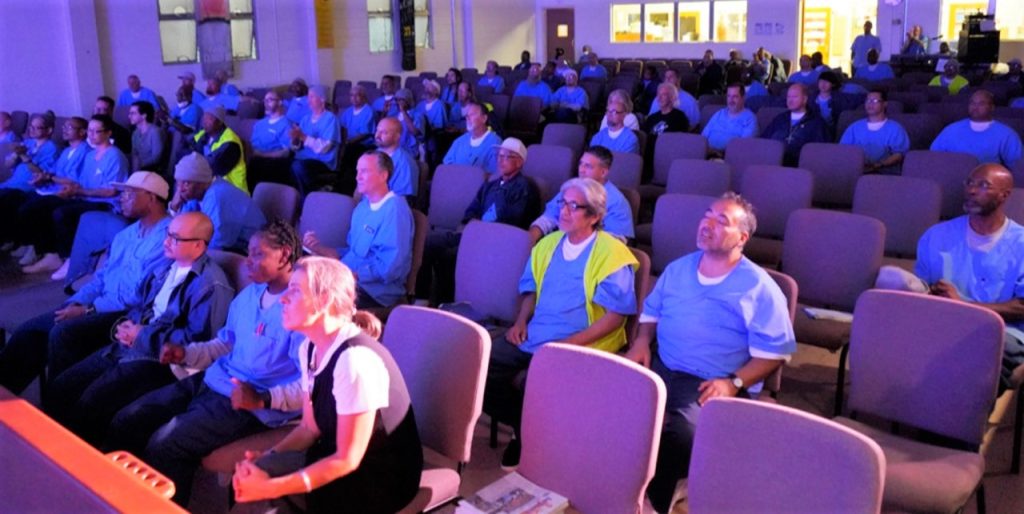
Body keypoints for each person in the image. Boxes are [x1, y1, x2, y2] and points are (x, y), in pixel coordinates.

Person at [104, 220, 306, 507]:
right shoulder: (250, 295)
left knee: (165, 445)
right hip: (213, 381)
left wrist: (262, 398)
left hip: (248, 404)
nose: (248, 262)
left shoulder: (302, 310)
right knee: (129, 419)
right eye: (248, 254)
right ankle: (114, 500)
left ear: (285, 255)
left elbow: (309, 386)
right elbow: (224, 343)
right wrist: (185, 354)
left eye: (258, 255)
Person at [625, 192, 796, 514]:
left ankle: (655, 499)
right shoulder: (678, 269)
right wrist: (641, 341)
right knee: (619, 405)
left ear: (742, 237)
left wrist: (734, 383)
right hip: (663, 365)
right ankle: (620, 481)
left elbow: (775, 354)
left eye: (722, 221)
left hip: (711, 379)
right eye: (707, 215)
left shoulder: (758, 286)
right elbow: (651, 312)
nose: (708, 224)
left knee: (680, 431)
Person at [230, 257, 422, 514]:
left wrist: (271, 487)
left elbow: (348, 459)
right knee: (253, 479)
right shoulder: (309, 347)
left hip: (378, 477)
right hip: (332, 453)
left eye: (295, 290)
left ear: (325, 302)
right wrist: (270, 455)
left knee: (259, 495)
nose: (284, 298)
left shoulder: (355, 361)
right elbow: (309, 427)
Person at [484, 177, 638, 468]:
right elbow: (532, 291)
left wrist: (567, 344)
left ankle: (530, 440)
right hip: (536, 335)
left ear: (594, 216)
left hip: (584, 342)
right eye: (561, 204)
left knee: (536, 379)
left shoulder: (612, 253)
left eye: (574, 206)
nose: (564, 212)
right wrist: (519, 322)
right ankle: (524, 430)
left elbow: (615, 317)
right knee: (481, 363)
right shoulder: (548, 245)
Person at [46, 211, 233, 446]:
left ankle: (81, 465)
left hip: (161, 360)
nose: (166, 241)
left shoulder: (210, 285)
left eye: (175, 238)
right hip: (131, 344)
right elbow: (142, 307)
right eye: (167, 234)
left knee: (91, 402)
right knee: (62, 387)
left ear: (198, 245)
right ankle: (48, 448)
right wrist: (125, 326)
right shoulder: (165, 267)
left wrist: (142, 335)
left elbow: (197, 342)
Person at [0, 171, 171, 394]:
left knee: (62, 333)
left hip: (127, 314)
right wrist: (76, 301)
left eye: (129, 193)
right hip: (99, 303)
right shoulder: (126, 235)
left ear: (151, 198)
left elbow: (137, 294)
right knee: (30, 331)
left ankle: (58, 408)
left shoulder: (169, 237)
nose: (121, 198)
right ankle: (7, 400)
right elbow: (101, 277)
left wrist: (89, 309)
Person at [876, 164, 1024, 391]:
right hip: (943, 322)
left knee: (975, 354)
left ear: (1004, 195)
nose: (972, 191)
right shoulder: (937, 235)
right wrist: (926, 291)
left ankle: (951, 418)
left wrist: (966, 306)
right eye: (970, 183)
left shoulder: (1021, 243)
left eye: (984, 185)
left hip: (1002, 331)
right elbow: (923, 287)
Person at [417, 138, 540, 304]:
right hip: (475, 234)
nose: (500, 160)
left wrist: (479, 231)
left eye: (507, 157)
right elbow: (472, 209)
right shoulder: (491, 185)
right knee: (427, 243)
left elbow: (512, 222)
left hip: (497, 241)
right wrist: (470, 223)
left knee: (449, 256)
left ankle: (448, 302)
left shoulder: (524, 188)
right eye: (499, 156)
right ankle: (422, 297)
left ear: (519, 162)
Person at [19, 115, 128, 275]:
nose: (91, 135)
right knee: (42, 206)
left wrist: (78, 191)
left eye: (96, 131)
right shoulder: (91, 156)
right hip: (85, 198)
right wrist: (68, 192)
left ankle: (71, 259)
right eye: (89, 131)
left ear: (108, 133)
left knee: (61, 213)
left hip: (106, 203)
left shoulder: (114, 156)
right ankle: (51, 254)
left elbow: (111, 191)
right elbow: (80, 184)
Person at [304, 151, 414, 309]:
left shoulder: (395, 210)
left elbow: (389, 268)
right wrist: (317, 248)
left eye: (364, 171)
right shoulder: (362, 207)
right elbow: (351, 252)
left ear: (383, 175)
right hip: (349, 280)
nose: (357, 177)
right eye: (357, 171)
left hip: (375, 292)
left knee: (313, 300)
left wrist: (349, 275)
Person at [1, 117, 81, 259]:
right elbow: (8, 164)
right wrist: (15, 154)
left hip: (29, 186)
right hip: (13, 182)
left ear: (49, 130)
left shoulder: (52, 148)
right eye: (30, 127)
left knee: (16, 202)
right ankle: (13, 240)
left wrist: (24, 156)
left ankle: (32, 246)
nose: (31, 130)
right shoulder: (28, 143)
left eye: (36, 127)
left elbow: (42, 173)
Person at [530, 146, 633, 244]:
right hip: (560, 244)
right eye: (580, 164)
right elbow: (548, 219)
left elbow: (617, 241)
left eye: (588, 166)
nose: (581, 170)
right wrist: (530, 239)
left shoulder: (617, 202)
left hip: (594, 254)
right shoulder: (571, 189)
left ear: (603, 172)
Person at [170, 153, 266, 253]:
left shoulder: (217, 196)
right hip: (229, 246)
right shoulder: (196, 195)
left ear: (201, 182)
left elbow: (217, 247)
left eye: (186, 183)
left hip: (249, 249)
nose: (180, 189)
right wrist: (174, 207)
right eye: (178, 183)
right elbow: (181, 229)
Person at [931, 90, 1022, 168]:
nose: (975, 107)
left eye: (981, 103)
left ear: (992, 107)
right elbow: (934, 157)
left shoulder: (1006, 134)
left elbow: (1017, 167)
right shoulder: (951, 129)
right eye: (972, 103)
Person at [840, 89, 911, 174]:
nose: (870, 104)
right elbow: (844, 150)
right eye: (868, 100)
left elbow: (899, 154)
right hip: (857, 172)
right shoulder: (854, 127)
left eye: (875, 101)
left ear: (884, 104)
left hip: (885, 175)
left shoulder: (895, 128)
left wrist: (878, 165)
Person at [761, 83, 829, 167]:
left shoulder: (817, 123)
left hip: (800, 168)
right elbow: (764, 141)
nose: (790, 100)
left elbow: (820, 153)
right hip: (773, 165)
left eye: (795, 97)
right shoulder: (780, 119)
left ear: (805, 99)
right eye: (788, 97)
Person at [289, 86, 341, 196]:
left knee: (297, 167)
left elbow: (325, 148)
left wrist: (303, 137)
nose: (308, 100)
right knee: (281, 164)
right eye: (308, 97)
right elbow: (297, 146)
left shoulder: (330, 119)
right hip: (302, 158)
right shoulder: (305, 119)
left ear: (322, 99)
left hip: (322, 161)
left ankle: (310, 198)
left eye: (312, 97)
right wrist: (295, 140)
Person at [190, 105, 248, 193]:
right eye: (204, 118)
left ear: (220, 122)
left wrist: (191, 161)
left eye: (209, 119)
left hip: (232, 191)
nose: (204, 122)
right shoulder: (203, 134)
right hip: (210, 185)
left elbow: (211, 167)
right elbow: (183, 150)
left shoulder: (231, 142)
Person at [248, 90, 294, 192]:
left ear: (280, 102)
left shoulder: (286, 124)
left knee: (259, 166)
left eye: (270, 100)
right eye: (265, 101)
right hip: (255, 159)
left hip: (274, 161)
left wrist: (263, 155)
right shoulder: (260, 124)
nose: (266, 103)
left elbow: (286, 152)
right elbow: (252, 145)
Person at [442, 101, 501, 174]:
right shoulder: (459, 141)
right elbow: (446, 166)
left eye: (472, 114)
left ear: (484, 118)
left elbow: (492, 176)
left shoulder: (495, 143)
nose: (468, 118)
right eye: (467, 115)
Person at [702, 83, 758, 158]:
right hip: (706, 154)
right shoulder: (719, 114)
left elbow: (742, 147)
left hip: (728, 158)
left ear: (743, 98)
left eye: (735, 97)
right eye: (729, 96)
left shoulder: (750, 119)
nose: (731, 100)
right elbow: (703, 137)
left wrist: (718, 153)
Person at [373, 117, 418, 197]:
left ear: (397, 137)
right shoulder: (374, 154)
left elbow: (402, 200)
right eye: (377, 130)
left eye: (384, 132)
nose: (377, 135)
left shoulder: (404, 163)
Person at [128, 101, 166, 175]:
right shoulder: (135, 133)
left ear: (144, 115)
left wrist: (139, 165)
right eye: (130, 113)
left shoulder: (155, 131)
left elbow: (156, 157)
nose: (129, 116)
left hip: (152, 170)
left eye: (133, 113)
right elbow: (134, 154)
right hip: (138, 170)